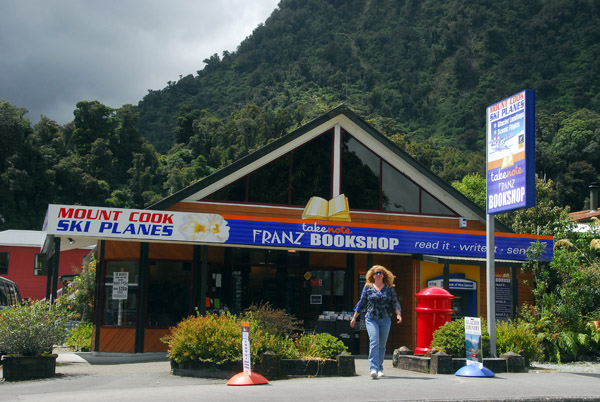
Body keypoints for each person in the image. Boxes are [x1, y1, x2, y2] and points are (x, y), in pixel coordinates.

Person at [350, 265, 402, 379]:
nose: (378, 274)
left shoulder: (389, 288)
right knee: (374, 342)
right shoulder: (368, 287)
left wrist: (398, 314)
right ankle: (373, 368)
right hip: (371, 318)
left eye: (380, 272)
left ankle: (379, 368)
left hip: (385, 319)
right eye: (376, 273)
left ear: (384, 275)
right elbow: (362, 302)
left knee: (382, 345)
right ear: (372, 275)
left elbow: (395, 301)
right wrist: (354, 317)